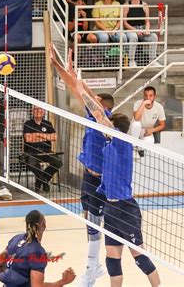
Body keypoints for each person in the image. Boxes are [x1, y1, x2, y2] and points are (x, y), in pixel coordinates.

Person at [74, 80, 161, 287]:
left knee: (139, 257)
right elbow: (96, 113)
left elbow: (98, 114)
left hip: (126, 208)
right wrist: (83, 88)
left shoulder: (122, 142)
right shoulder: (109, 142)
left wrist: (80, 87)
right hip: (111, 208)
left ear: (115, 128)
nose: (105, 125)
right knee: (112, 260)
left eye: (108, 124)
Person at [50, 44, 109, 287]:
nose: (89, 100)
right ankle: (94, 264)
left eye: (95, 100)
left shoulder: (105, 120)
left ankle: (92, 268)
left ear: (103, 106)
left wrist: (74, 78)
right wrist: (59, 68)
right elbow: (78, 89)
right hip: (87, 177)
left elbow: (81, 91)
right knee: (87, 219)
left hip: (100, 180)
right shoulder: (90, 115)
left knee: (96, 223)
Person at [0, 210, 77, 286]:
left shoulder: (16, 238)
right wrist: (63, 281)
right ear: (44, 225)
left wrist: (8, 279)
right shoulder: (37, 252)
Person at [23, 106, 63, 193]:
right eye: (36, 109)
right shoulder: (27, 123)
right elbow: (28, 139)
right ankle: (44, 182)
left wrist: (37, 135)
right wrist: (45, 137)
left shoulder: (48, 124)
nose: (38, 111)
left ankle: (40, 181)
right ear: (32, 112)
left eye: (40, 109)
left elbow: (54, 137)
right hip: (32, 151)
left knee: (58, 162)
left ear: (43, 112)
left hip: (46, 151)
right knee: (32, 164)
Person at [123, 0, 160, 68]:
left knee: (153, 37)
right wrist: (135, 31)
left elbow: (147, 21)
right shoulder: (126, 5)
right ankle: (131, 61)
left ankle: (152, 60)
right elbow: (125, 23)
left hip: (142, 29)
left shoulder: (144, 5)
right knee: (133, 37)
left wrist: (147, 30)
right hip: (131, 30)